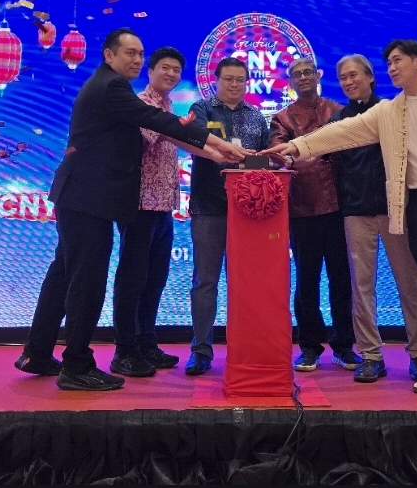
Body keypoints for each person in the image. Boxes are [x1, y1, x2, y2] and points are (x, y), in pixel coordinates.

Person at [265, 39, 417, 402]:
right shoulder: (388, 111)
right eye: (389, 63)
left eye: (398, 61)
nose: (393, 68)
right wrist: (296, 147)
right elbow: (342, 132)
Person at [17, 29, 247, 391]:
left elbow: (166, 125)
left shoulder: (111, 86)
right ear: (109, 55)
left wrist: (218, 153)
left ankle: (38, 352)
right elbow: (162, 124)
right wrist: (218, 145)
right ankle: (76, 365)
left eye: (140, 53)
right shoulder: (113, 88)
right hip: (89, 199)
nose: (137, 60)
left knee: (64, 275)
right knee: (86, 283)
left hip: (82, 197)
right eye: (131, 53)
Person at [330, 54, 417, 384]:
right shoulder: (339, 120)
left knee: (410, 283)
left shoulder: (392, 111)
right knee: (361, 288)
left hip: (395, 210)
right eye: (343, 77)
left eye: (354, 75)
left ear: (370, 77)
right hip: (355, 213)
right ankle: (371, 356)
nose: (348, 82)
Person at [269, 58, 360, 373]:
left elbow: (351, 150)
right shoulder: (281, 118)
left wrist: (307, 154)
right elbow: (278, 154)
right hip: (301, 209)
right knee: (306, 281)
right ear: (290, 82)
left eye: (308, 72)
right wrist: (301, 157)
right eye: (297, 74)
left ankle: (345, 345)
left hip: (339, 208)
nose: (303, 77)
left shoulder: (338, 111)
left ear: (318, 76)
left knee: (341, 280)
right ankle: (309, 347)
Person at [184, 57, 270, 376]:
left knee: (247, 282)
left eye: (240, 80)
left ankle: (247, 346)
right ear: (216, 80)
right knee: (205, 281)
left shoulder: (257, 117)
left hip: (248, 212)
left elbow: (265, 162)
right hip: (208, 207)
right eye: (228, 79)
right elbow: (193, 138)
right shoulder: (201, 109)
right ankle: (201, 349)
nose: (234, 85)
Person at [110, 46, 189, 377]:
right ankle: (124, 351)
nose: (171, 74)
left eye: (176, 70)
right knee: (132, 279)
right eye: (165, 68)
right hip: (139, 205)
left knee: (155, 279)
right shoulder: (140, 103)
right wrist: (184, 128)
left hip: (164, 207)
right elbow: (150, 137)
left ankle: (146, 342)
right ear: (151, 71)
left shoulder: (168, 107)